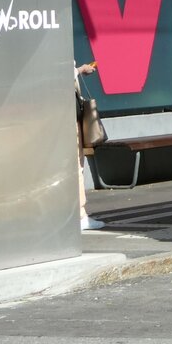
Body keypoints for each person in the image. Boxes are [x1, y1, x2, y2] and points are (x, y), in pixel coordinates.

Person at [75, 61, 105, 230]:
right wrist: (81, 70)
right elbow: (62, 75)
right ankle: (80, 215)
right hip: (67, 116)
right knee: (76, 166)